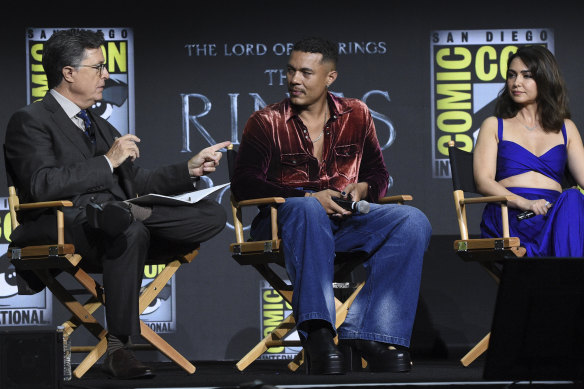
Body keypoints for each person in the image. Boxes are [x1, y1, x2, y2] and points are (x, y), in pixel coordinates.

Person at [4, 28, 230, 379]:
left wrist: (189, 169)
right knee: (130, 229)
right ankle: (119, 348)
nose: (106, 75)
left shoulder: (99, 124)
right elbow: (40, 184)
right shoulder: (31, 120)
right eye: (98, 67)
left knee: (210, 215)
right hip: (64, 226)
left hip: (116, 229)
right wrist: (106, 162)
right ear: (68, 72)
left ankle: (124, 214)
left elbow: (135, 182)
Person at [230, 36, 431, 374]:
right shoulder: (266, 122)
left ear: (330, 78)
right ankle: (318, 334)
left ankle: (373, 334)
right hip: (284, 221)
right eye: (291, 71)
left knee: (412, 220)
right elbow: (245, 183)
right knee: (308, 210)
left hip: (343, 221)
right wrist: (307, 197)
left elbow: (378, 174)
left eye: (306, 73)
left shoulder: (357, 113)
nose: (295, 80)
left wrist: (365, 187)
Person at [474, 45, 584, 257]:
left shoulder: (566, 128)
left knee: (573, 199)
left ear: (545, 80)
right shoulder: (494, 125)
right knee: (570, 225)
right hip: (512, 215)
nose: (516, 83)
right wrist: (526, 203)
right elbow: (483, 182)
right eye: (512, 75)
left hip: (553, 214)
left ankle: (549, 266)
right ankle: (567, 280)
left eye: (527, 76)